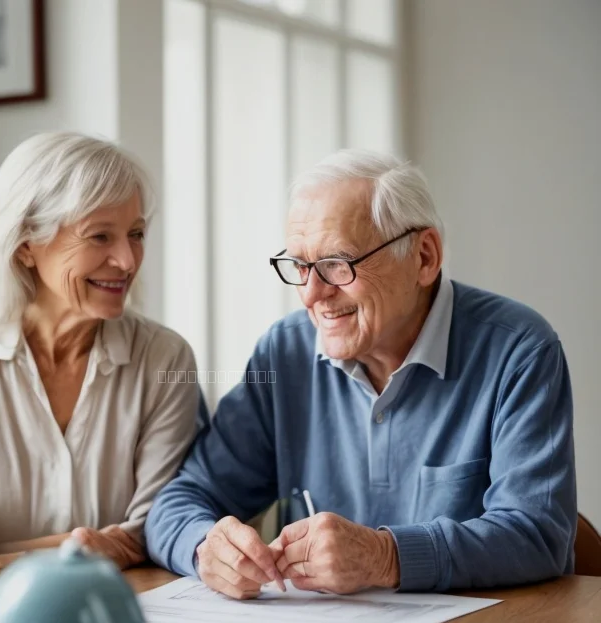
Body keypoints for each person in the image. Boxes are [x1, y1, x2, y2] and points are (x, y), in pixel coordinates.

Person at [144, 148, 577, 599]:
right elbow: (179, 500)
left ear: (424, 257)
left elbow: (538, 535)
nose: (312, 294)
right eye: (300, 266)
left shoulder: (520, 349)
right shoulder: (285, 352)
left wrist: (385, 555)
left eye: (337, 263)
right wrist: (204, 548)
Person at [0, 131, 201, 596]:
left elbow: (150, 531)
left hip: (121, 609)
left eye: (136, 234)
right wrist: (88, 546)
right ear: (25, 244)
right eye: (100, 236)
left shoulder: (165, 359)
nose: (126, 260)